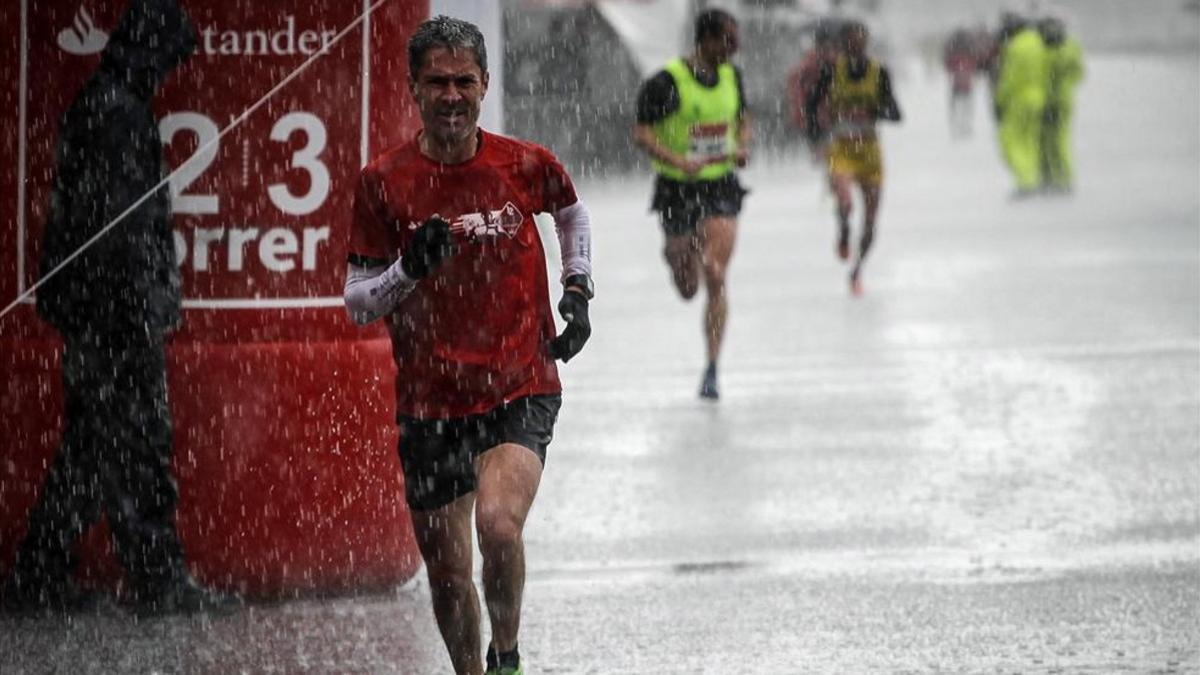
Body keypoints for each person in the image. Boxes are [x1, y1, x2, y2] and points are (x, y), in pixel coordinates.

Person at [343, 16, 593, 675]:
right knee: (449, 570)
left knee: (499, 525)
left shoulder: (525, 162)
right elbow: (358, 300)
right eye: (436, 83)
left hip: (518, 383)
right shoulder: (382, 181)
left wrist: (578, 287)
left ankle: (506, 653)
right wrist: (410, 269)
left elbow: (570, 210)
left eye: (464, 81)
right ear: (413, 89)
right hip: (430, 400)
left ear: (484, 85)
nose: (451, 95)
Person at [2, 0, 239, 616]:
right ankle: (153, 580)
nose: (169, 73)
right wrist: (146, 308)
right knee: (138, 443)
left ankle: (41, 574)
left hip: (96, 314)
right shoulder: (120, 116)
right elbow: (123, 231)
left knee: (92, 448)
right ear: (151, 48)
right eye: (169, 58)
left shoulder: (101, 105)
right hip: (117, 318)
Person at [632, 8, 751, 400]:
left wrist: (743, 144)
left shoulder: (733, 76)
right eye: (728, 40)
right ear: (707, 40)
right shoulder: (668, 82)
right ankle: (681, 254)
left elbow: (742, 116)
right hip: (678, 190)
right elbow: (641, 132)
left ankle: (713, 366)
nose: (735, 48)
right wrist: (677, 159)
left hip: (720, 186)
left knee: (716, 274)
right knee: (688, 286)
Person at [805, 20, 902, 296]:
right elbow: (811, 107)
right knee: (846, 202)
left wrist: (876, 110)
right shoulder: (831, 72)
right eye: (851, 41)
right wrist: (816, 139)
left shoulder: (879, 72)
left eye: (861, 41)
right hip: (841, 149)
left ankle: (857, 271)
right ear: (843, 44)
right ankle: (844, 229)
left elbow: (896, 112)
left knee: (871, 222)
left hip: (869, 153)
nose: (856, 46)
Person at [994, 13, 1049, 197]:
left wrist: (1000, 100)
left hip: (1018, 99)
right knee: (1030, 141)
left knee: (1010, 141)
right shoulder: (1037, 43)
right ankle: (1032, 177)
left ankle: (1024, 180)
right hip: (1038, 96)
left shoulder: (1015, 47)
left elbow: (1009, 79)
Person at [1039, 16, 1084, 192]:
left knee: (1057, 141)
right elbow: (1078, 74)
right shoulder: (1070, 47)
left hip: (1056, 100)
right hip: (1057, 99)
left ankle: (1062, 178)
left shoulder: (1057, 48)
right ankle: (1055, 176)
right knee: (1052, 140)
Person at [786, 20, 839, 159]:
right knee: (822, 155)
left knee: (829, 155)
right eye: (825, 46)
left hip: (829, 116)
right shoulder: (809, 65)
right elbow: (796, 89)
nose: (829, 51)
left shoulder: (836, 64)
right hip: (817, 116)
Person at [943, 28, 977, 138]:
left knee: (955, 106)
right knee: (966, 105)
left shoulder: (953, 52)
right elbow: (974, 64)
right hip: (966, 84)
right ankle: (965, 125)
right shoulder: (969, 52)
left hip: (956, 84)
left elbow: (948, 65)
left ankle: (956, 126)